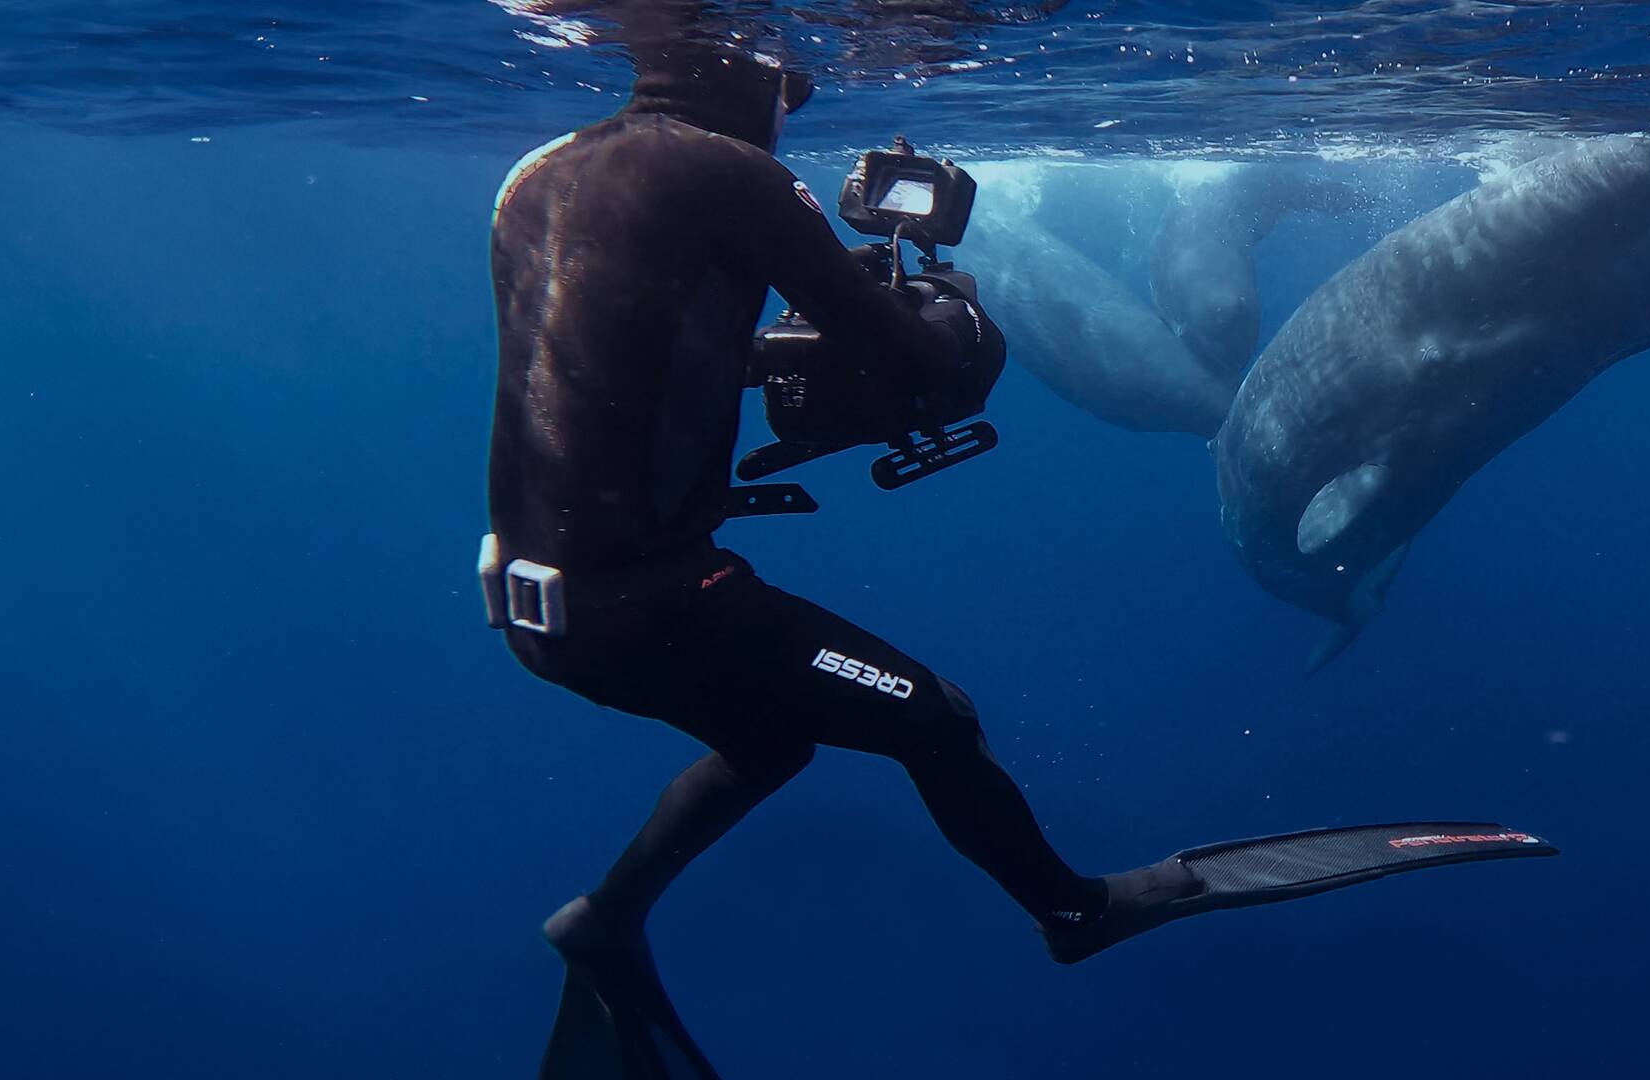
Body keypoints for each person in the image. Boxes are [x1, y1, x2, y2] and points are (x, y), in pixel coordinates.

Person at [483, 23, 1557, 1080]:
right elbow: (916, 363)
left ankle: (605, 917)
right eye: (788, 83)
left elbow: (604, 354)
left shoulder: (541, 175)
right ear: (746, 68)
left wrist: (769, 357)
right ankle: (1075, 911)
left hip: (543, 606)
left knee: (770, 740)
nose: (794, 99)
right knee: (931, 718)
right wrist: (948, 314)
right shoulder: (725, 173)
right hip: (662, 601)